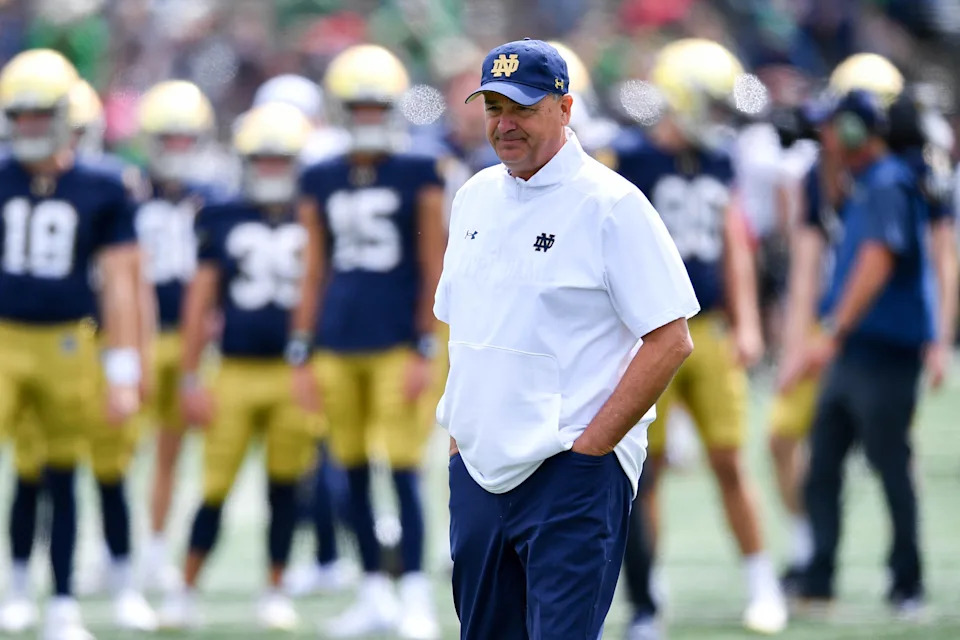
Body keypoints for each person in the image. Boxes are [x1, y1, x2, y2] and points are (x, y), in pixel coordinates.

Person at [434, 38, 698, 639]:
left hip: (568, 472)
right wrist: (459, 447)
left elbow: (670, 338)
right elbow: (467, 332)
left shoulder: (611, 204)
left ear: (565, 108)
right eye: (494, 107)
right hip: (479, 472)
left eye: (523, 108)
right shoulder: (473, 197)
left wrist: (591, 452)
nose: (505, 124)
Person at [602, 38, 787, 636]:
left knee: (730, 459)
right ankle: (648, 591)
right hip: (647, 332)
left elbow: (734, 242)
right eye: (707, 103)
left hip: (706, 328)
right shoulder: (628, 157)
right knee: (644, 469)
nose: (718, 117)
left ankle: (761, 581)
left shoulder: (719, 157)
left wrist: (750, 321)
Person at [289, 43, 446, 639]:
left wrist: (425, 344)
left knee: (403, 470)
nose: (367, 116)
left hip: (395, 343)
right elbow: (313, 269)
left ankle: (413, 597)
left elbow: (435, 262)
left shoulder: (418, 169)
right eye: (357, 105)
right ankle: (372, 591)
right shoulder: (321, 175)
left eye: (377, 104)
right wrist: (301, 349)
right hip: (336, 340)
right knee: (349, 469)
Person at [0, 49, 142, 640]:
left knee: (61, 472)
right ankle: (13, 586)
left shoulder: (102, 185)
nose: (30, 127)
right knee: (28, 471)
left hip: (67, 344)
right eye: (21, 115)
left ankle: (59, 600)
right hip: (4, 339)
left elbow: (117, 283)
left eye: (41, 115)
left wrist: (123, 367)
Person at [157, 102, 316, 631]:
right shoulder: (222, 214)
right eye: (262, 159)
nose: (271, 169)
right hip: (235, 371)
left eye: (280, 159)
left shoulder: (313, 211)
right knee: (215, 486)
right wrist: (187, 375)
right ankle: (184, 587)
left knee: (285, 486)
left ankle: (275, 588)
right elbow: (200, 303)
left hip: (291, 372)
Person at [786, 88, 936, 616]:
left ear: (855, 129)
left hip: (882, 351)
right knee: (822, 467)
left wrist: (832, 331)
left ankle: (907, 582)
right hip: (855, 352)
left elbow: (876, 259)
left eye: (834, 127)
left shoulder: (889, 182)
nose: (825, 137)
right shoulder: (864, 181)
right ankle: (819, 577)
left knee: (890, 466)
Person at [137, 79, 224, 592]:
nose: (175, 150)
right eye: (166, 139)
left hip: (189, 338)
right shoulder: (128, 191)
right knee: (119, 446)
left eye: (184, 139)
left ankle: (152, 545)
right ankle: (116, 546)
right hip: (140, 337)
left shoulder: (213, 198)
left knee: (172, 448)